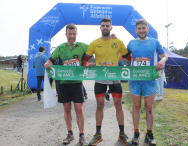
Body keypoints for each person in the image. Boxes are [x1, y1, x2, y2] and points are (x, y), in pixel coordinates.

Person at [83, 18, 132, 146]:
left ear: (111, 28)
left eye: (107, 25)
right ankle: (98, 134)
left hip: (115, 79)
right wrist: (87, 64)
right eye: (103, 25)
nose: (105, 27)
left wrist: (144, 65)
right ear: (100, 28)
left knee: (118, 105)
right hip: (100, 80)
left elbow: (129, 57)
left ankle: (122, 134)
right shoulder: (94, 43)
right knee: (99, 106)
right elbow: (84, 60)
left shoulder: (118, 42)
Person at [44, 24, 89, 146]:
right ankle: (70, 133)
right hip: (63, 83)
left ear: (77, 34)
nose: (72, 36)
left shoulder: (83, 46)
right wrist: (47, 63)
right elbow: (51, 59)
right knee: (67, 109)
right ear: (66, 34)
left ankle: (82, 135)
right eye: (70, 34)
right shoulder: (60, 48)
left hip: (77, 83)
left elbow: (94, 52)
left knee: (79, 109)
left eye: (74, 34)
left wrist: (91, 62)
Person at [125, 19, 168, 146]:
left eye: (144, 28)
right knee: (136, 107)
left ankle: (149, 134)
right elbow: (124, 55)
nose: (142, 30)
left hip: (149, 80)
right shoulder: (131, 43)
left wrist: (162, 61)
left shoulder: (154, 42)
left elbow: (164, 56)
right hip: (135, 81)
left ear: (147, 29)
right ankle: (136, 133)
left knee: (149, 108)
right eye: (139, 28)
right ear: (136, 30)